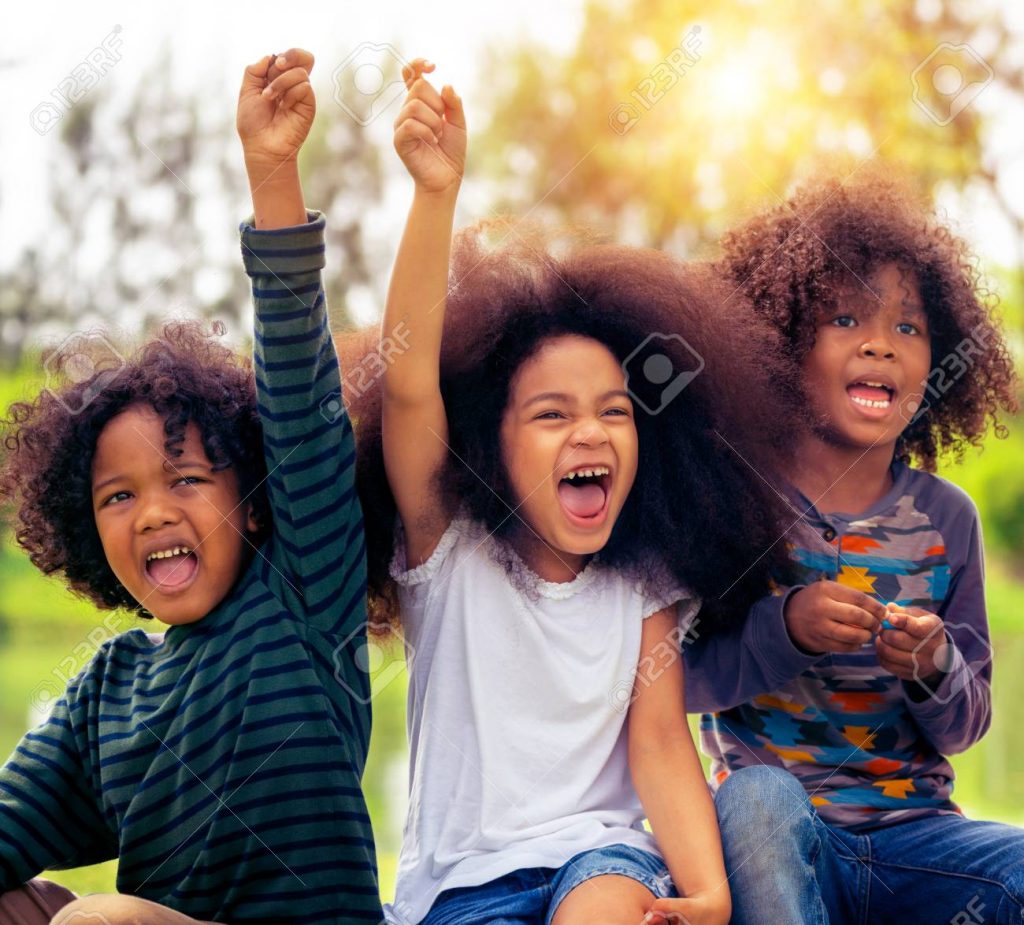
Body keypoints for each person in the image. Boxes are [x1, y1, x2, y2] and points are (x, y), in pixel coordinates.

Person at [339, 58, 806, 925]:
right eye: (552, 415)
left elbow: (661, 741)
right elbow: (407, 384)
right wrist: (436, 196)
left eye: (614, 413)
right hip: (460, 886)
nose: (589, 433)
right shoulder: (447, 550)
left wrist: (705, 891)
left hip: (602, 858)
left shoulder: (644, 581)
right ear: (489, 444)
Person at [0, 49, 383, 924]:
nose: (156, 511)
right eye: (119, 496)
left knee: (92, 920)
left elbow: (298, 392)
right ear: (86, 526)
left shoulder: (302, 597)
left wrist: (272, 172)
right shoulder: (110, 689)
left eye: (185, 477)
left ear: (253, 498)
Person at [684, 170, 1022, 924]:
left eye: (908, 327)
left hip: (919, 841)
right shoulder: (739, 502)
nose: (880, 343)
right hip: (782, 838)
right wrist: (784, 627)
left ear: (938, 363)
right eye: (846, 319)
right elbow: (681, 680)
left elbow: (967, 725)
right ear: (778, 343)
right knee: (757, 800)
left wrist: (934, 666)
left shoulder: (947, 519)